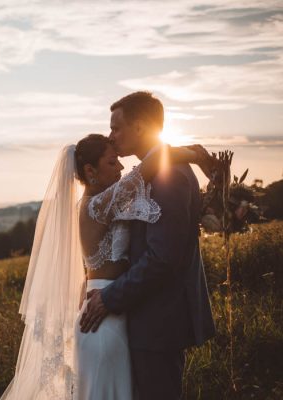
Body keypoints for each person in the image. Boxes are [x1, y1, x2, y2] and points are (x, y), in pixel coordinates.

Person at [1, 127, 215, 397]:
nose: (121, 166)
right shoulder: (96, 205)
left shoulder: (108, 203)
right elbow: (148, 166)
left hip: (112, 305)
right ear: (90, 171)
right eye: (112, 162)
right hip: (102, 318)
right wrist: (193, 153)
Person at [79, 91, 216, 400]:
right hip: (139, 319)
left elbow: (162, 258)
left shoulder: (169, 175)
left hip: (158, 322)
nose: (112, 137)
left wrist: (110, 297)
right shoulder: (146, 175)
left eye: (116, 128)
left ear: (139, 128)